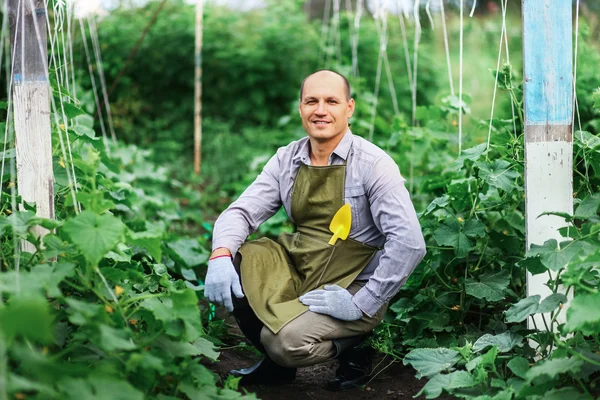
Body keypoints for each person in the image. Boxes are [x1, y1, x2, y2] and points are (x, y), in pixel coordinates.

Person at [204, 70, 426, 390]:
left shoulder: (373, 164)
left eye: (331, 101)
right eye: (312, 101)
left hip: (352, 284)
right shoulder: (288, 158)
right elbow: (241, 211)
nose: (320, 110)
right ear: (300, 108)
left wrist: (362, 303)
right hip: (302, 265)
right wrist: (221, 255)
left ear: (348, 108)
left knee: (284, 342)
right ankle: (277, 367)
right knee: (233, 261)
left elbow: (409, 242)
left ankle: (354, 346)